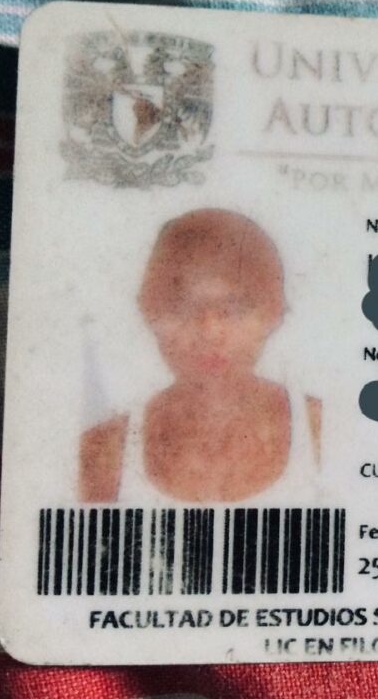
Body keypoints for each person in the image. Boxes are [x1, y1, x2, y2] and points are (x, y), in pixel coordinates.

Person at [79, 208, 321, 502]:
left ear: (273, 313)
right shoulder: (105, 451)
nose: (210, 333)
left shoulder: (321, 430)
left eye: (234, 309)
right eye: (183, 308)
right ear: (150, 313)